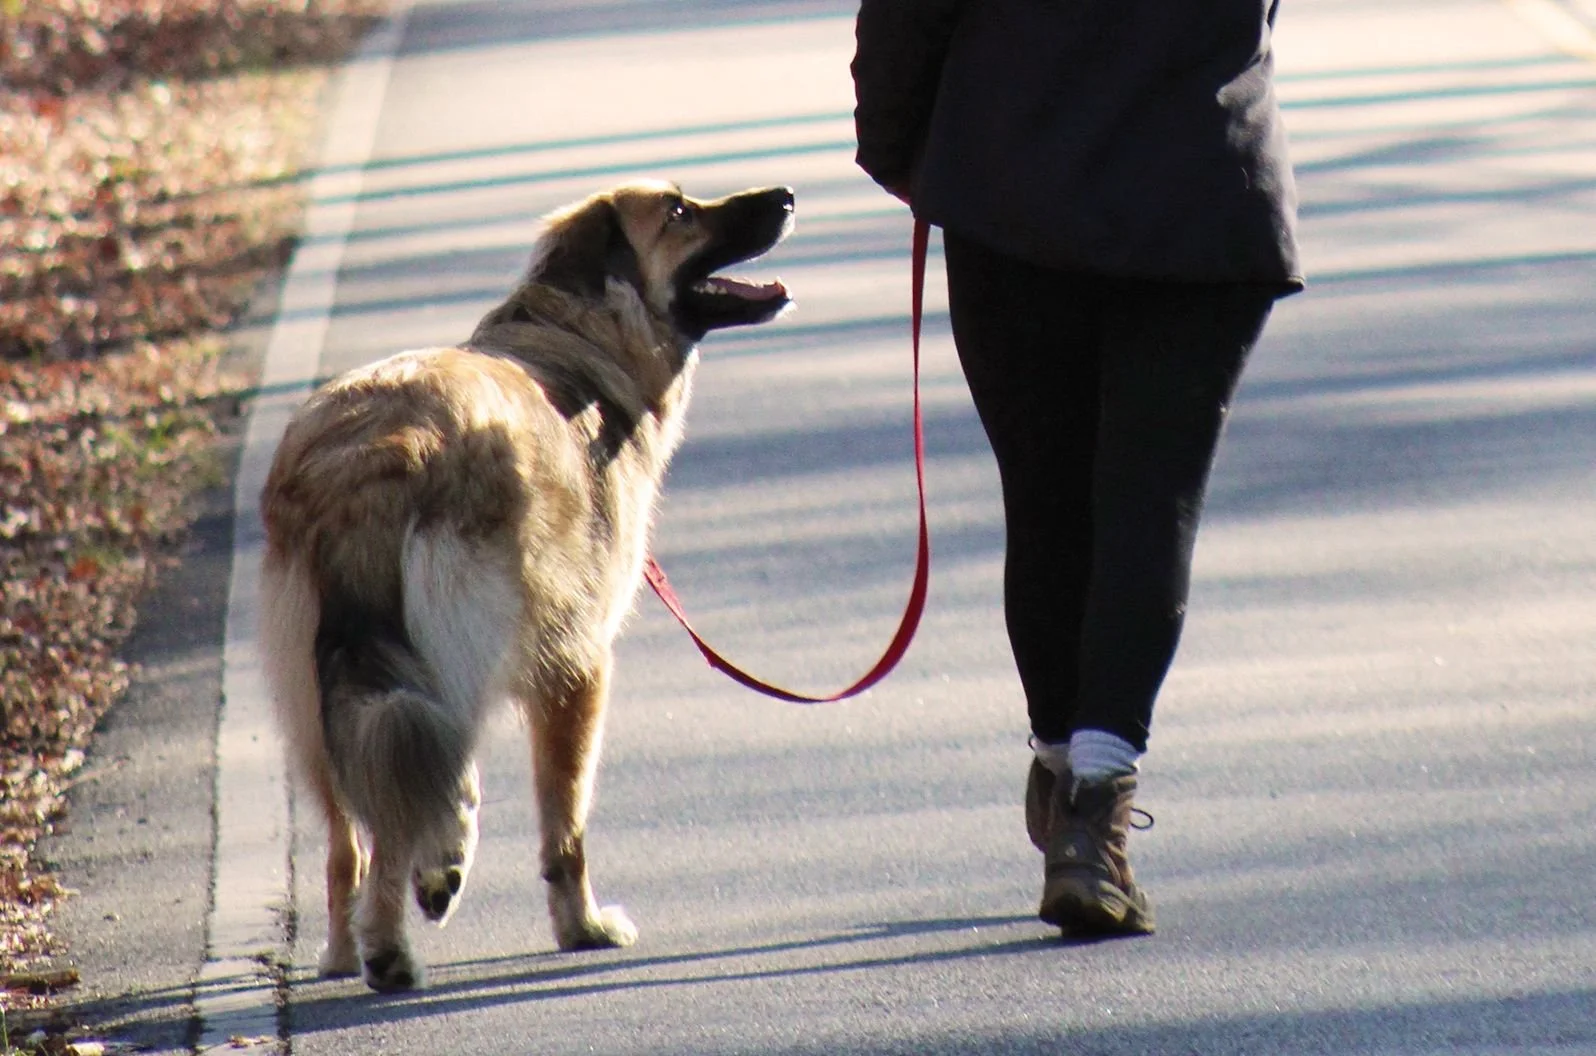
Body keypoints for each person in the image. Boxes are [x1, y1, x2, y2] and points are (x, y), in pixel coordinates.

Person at [852, 1, 1304, 937]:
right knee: (1152, 501)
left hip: (1016, 179)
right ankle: (1093, 804)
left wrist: (903, 143)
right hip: (1203, 181)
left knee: (1049, 499)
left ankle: (1067, 773)